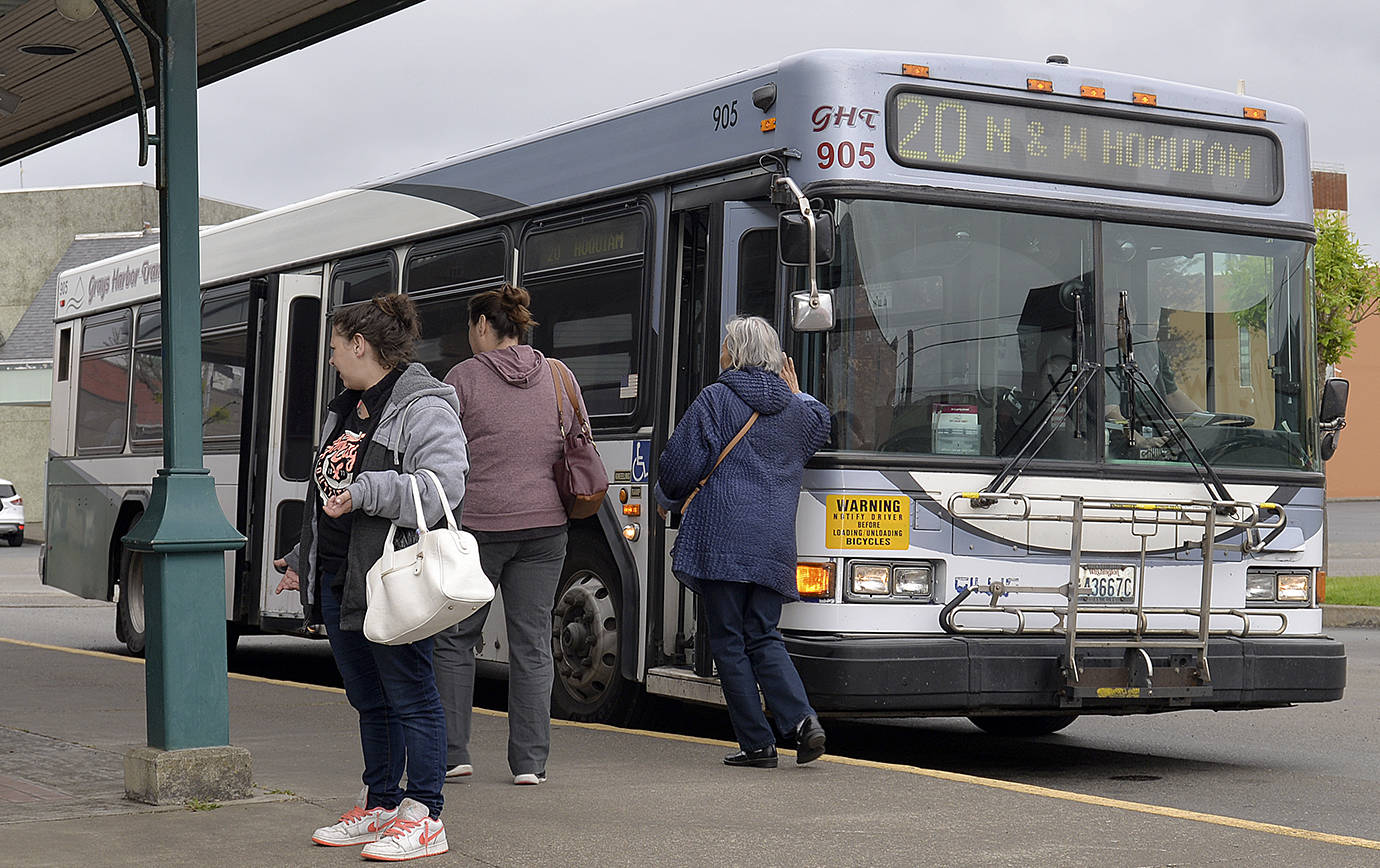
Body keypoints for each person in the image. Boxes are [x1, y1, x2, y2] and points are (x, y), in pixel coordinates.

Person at [275, 292, 466, 862]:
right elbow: (328, 494)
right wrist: (299, 554)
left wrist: (366, 492)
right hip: (340, 577)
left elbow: (443, 488)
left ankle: (427, 814)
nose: (332, 359)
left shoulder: (421, 407)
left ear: (361, 345)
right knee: (370, 700)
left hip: (387, 579)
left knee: (411, 695)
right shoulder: (347, 407)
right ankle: (382, 803)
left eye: (336, 348)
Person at [654, 315, 832, 768]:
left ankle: (757, 744)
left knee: (729, 641)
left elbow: (678, 466)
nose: (721, 353)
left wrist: (665, 496)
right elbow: (820, 423)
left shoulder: (716, 399)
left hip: (723, 540)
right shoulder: (798, 411)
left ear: (735, 353)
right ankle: (804, 720)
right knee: (764, 634)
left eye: (725, 345)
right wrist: (798, 393)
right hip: (773, 544)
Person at [433, 284, 587, 786]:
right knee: (533, 643)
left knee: (456, 639)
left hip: (478, 528)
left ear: (482, 325)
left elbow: (444, 452)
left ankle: (454, 754)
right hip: (546, 528)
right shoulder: (559, 376)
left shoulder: (463, 378)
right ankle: (530, 764)